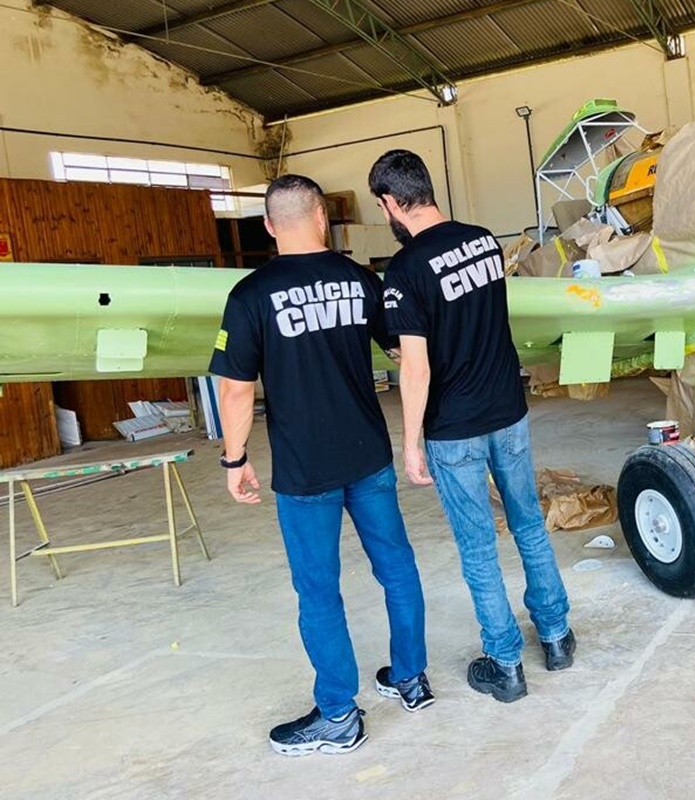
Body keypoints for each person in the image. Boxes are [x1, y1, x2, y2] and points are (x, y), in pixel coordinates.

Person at [210, 174, 432, 756]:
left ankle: (338, 714)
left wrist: (235, 459)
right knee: (397, 568)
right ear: (320, 219)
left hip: (305, 470)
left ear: (267, 226)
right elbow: (403, 346)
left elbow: (234, 391)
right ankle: (410, 678)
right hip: (368, 454)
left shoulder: (250, 295)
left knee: (318, 592)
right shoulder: (361, 280)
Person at [368, 149, 574, 703]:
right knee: (529, 523)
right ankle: (556, 636)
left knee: (479, 546)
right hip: (508, 409)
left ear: (390, 203)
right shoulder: (484, 240)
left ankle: (505, 663)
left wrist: (409, 444)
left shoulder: (406, 270)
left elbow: (416, 365)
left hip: (454, 426)